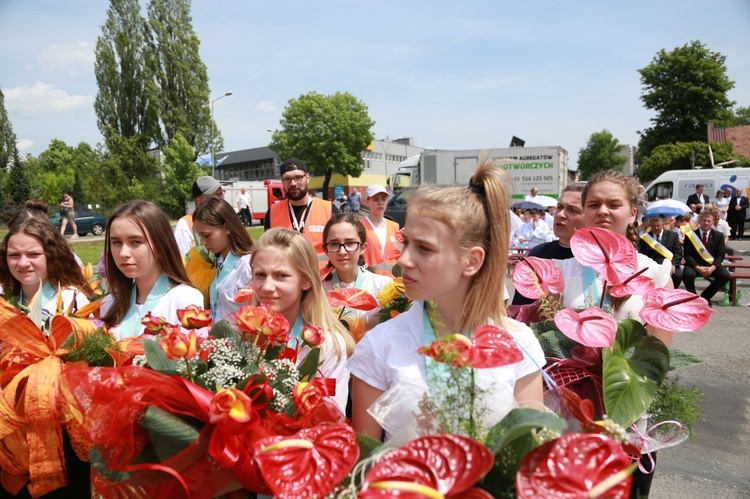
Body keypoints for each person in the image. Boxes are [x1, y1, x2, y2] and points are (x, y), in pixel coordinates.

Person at [349, 159, 545, 442]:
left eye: (424, 248)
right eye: (406, 243)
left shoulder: (520, 344)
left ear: (471, 260)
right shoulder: (379, 346)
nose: (404, 260)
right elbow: (365, 464)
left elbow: (529, 455)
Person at [0, 209, 94, 499]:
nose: (23, 263)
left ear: (50, 255)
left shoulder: (73, 300)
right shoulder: (6, 300)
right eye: (14, 255)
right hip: (15, 428)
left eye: (33, 254)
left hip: (62, 430)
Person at [250, 228, 355, 413]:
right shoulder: (243, 336)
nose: (266, 287)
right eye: (260, 275)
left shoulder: (331, 346)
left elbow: (329, 417)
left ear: (305, 281)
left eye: (281, 275)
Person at [101, 200, 204, 339]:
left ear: (161, 245)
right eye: (116, 242)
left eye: (135, 242)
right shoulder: (109, 303)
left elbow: (195, 357)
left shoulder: (184, 299)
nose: (123, 253)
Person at [512, 183, 585, 306]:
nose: (561, 214)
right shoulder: (538, 254)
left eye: (573, 210)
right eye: (559, 207)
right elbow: (519, 308)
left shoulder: (596, 261)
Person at [321, 214, 393, 337]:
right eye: (334, 244)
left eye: (350, 243)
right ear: (325, 249)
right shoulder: (318, 290)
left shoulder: (384, 287)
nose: (342, 252)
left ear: (363, 247)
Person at [265, 158, 339, 262]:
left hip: (321, 276)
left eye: (298, 177)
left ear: (307, 177)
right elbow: (267, 249)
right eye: (287, 179)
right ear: (282, 181)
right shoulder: (273, 212)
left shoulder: (329, 209)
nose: (293, 183)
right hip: (285, 275)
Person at [193, 197, 254, 322]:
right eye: (200, 236)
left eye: (207, 235)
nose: (203, 242)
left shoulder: (248, 266)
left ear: (226, 228)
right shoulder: (220, 262)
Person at [682, 210, 730, 307]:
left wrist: (712, 268)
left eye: (709, 221)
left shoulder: (719, 235)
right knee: (687, 274)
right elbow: (687, 255)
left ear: (712, 222)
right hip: (695, 264)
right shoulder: (690, 235)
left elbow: (720, 255)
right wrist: (697, 267)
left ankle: (706, 296)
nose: (706, 223)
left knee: (725, 275)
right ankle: (693, 298)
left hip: (711, 264)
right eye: (704, 221)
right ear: (699, 221)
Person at [174, 176, 225, 256]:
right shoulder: (186, 225)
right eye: (216, 195)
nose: (221, 198)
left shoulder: (227, 218)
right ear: (199, 199)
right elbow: (182, 260)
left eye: (221, 193)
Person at [361, 184, 400, 276]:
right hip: (369, 280)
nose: (380, 203)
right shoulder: (359, 226)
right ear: (367, 201)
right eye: (375, 199)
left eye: (383, 199)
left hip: (391, 281)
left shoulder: (394, 226)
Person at [638, 215, 683, 289]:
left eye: (658, 226)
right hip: (652, 264)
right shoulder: (645, 238)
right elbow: (642, 253)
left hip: (669, 264)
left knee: (678, 275)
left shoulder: (672, 235)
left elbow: (678, 252)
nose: (656, 228)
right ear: (650, 225)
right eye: (653, 226)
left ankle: (672, 292)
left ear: (663, 225)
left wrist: (674, 265)